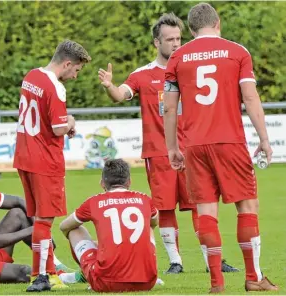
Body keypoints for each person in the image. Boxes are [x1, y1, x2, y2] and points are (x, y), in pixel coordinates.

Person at [98, 13, 237, 274]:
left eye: (178, 38)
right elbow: (120, 95)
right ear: (156, 42)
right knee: (164, 207)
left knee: (201, 202)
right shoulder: (142, 75)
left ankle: (212, 260)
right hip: (159, 152)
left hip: (192, 150)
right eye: (169, 39)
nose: (175, 44)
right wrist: (109, 86)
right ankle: (176, 261)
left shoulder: (190, 67)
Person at [163, 3, 278, 293]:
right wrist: (264, 138)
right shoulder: (237, 52)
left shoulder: (177, 57)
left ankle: (216, 284)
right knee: (248, 207)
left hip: (195, 145)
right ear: (218, 23)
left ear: (190, 29)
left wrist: (172, 147)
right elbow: (250, 98)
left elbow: (168, 108)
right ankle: (253, 277)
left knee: (206, 213)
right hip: (230, 141)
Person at [13, 39, 91, 292]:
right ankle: (41, 276)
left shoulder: (31, 75)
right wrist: (70, 121)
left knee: (38, 219)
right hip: (44, 161)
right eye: (76, 70)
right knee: (44, 221)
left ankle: (48, 272)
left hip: (24, 156)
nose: (75, 76)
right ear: (67, 63)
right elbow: (58, 128)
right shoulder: (55, 87)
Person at [59, 159, 158, 293]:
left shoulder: (94, 202)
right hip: (147, 282)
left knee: (75, 230)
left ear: (102, 183)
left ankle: (86, 273)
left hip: (106, 283)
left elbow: (64, 226)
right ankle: (143, 269)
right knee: (149, 228)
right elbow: (154, 222)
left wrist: (97, 245)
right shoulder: (145, 199)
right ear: (129, 182)